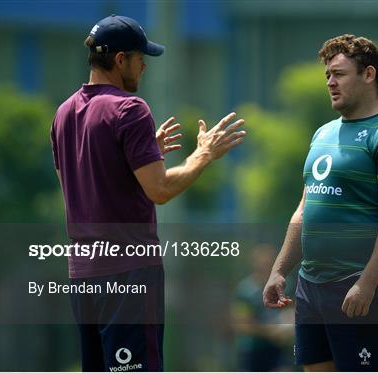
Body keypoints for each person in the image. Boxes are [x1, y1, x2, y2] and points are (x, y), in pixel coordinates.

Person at [50, 15, 245, 371]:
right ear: (121, 59)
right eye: (141, 59)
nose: (144, 67)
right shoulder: (131, 109)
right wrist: (205, 154)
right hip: (128, 273)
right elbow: (161, 190)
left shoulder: (64, 113)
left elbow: (80, 188)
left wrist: (133, 156)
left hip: (82, 275)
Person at [263, 34, 378, 371]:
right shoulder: (322, 134)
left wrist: (367, 283)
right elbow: (304, 210)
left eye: (339, 74)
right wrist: (280, 270)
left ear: (369, 75)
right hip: (311, 287)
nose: (330, 83)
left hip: (361, 289)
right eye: (327, 76)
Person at [232, 245, 294, 371]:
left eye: (270, 263)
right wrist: (271, 332)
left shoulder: (286, 285)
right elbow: (242, 324)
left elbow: (292, 311)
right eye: (263, 263)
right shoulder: (246, 290)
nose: (266, 267)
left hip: (278, 348)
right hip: (253, 350)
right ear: (255, 264)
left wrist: (289, 324)